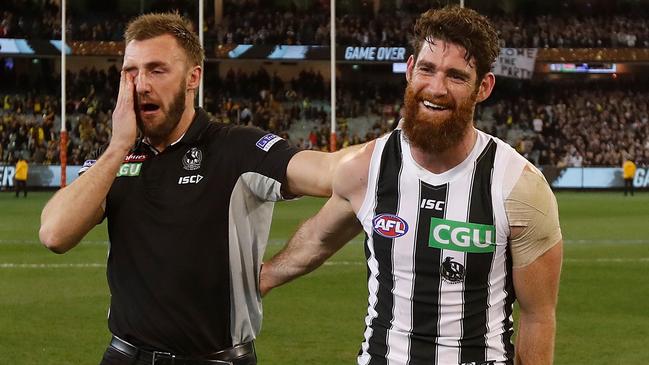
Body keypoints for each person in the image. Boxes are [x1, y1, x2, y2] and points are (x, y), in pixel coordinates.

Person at [39, 12, 356, 365]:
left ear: (193, 77)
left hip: (216, 358)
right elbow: (55, 234)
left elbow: (329, 171)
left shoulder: (237, 148)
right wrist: (117, 147)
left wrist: (404, 144)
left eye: (157, 70)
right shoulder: (114, 158)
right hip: (125, 356)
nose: (141, 84)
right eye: (131, 71)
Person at [260, 6, 563, 365]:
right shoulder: (366, 168)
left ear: (483, 87)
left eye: (456, 76)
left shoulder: (519, 187)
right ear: (409, 69)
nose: (436, 88)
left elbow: (537, 316)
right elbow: (316, 241)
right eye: (427, 69)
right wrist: (256, 280)